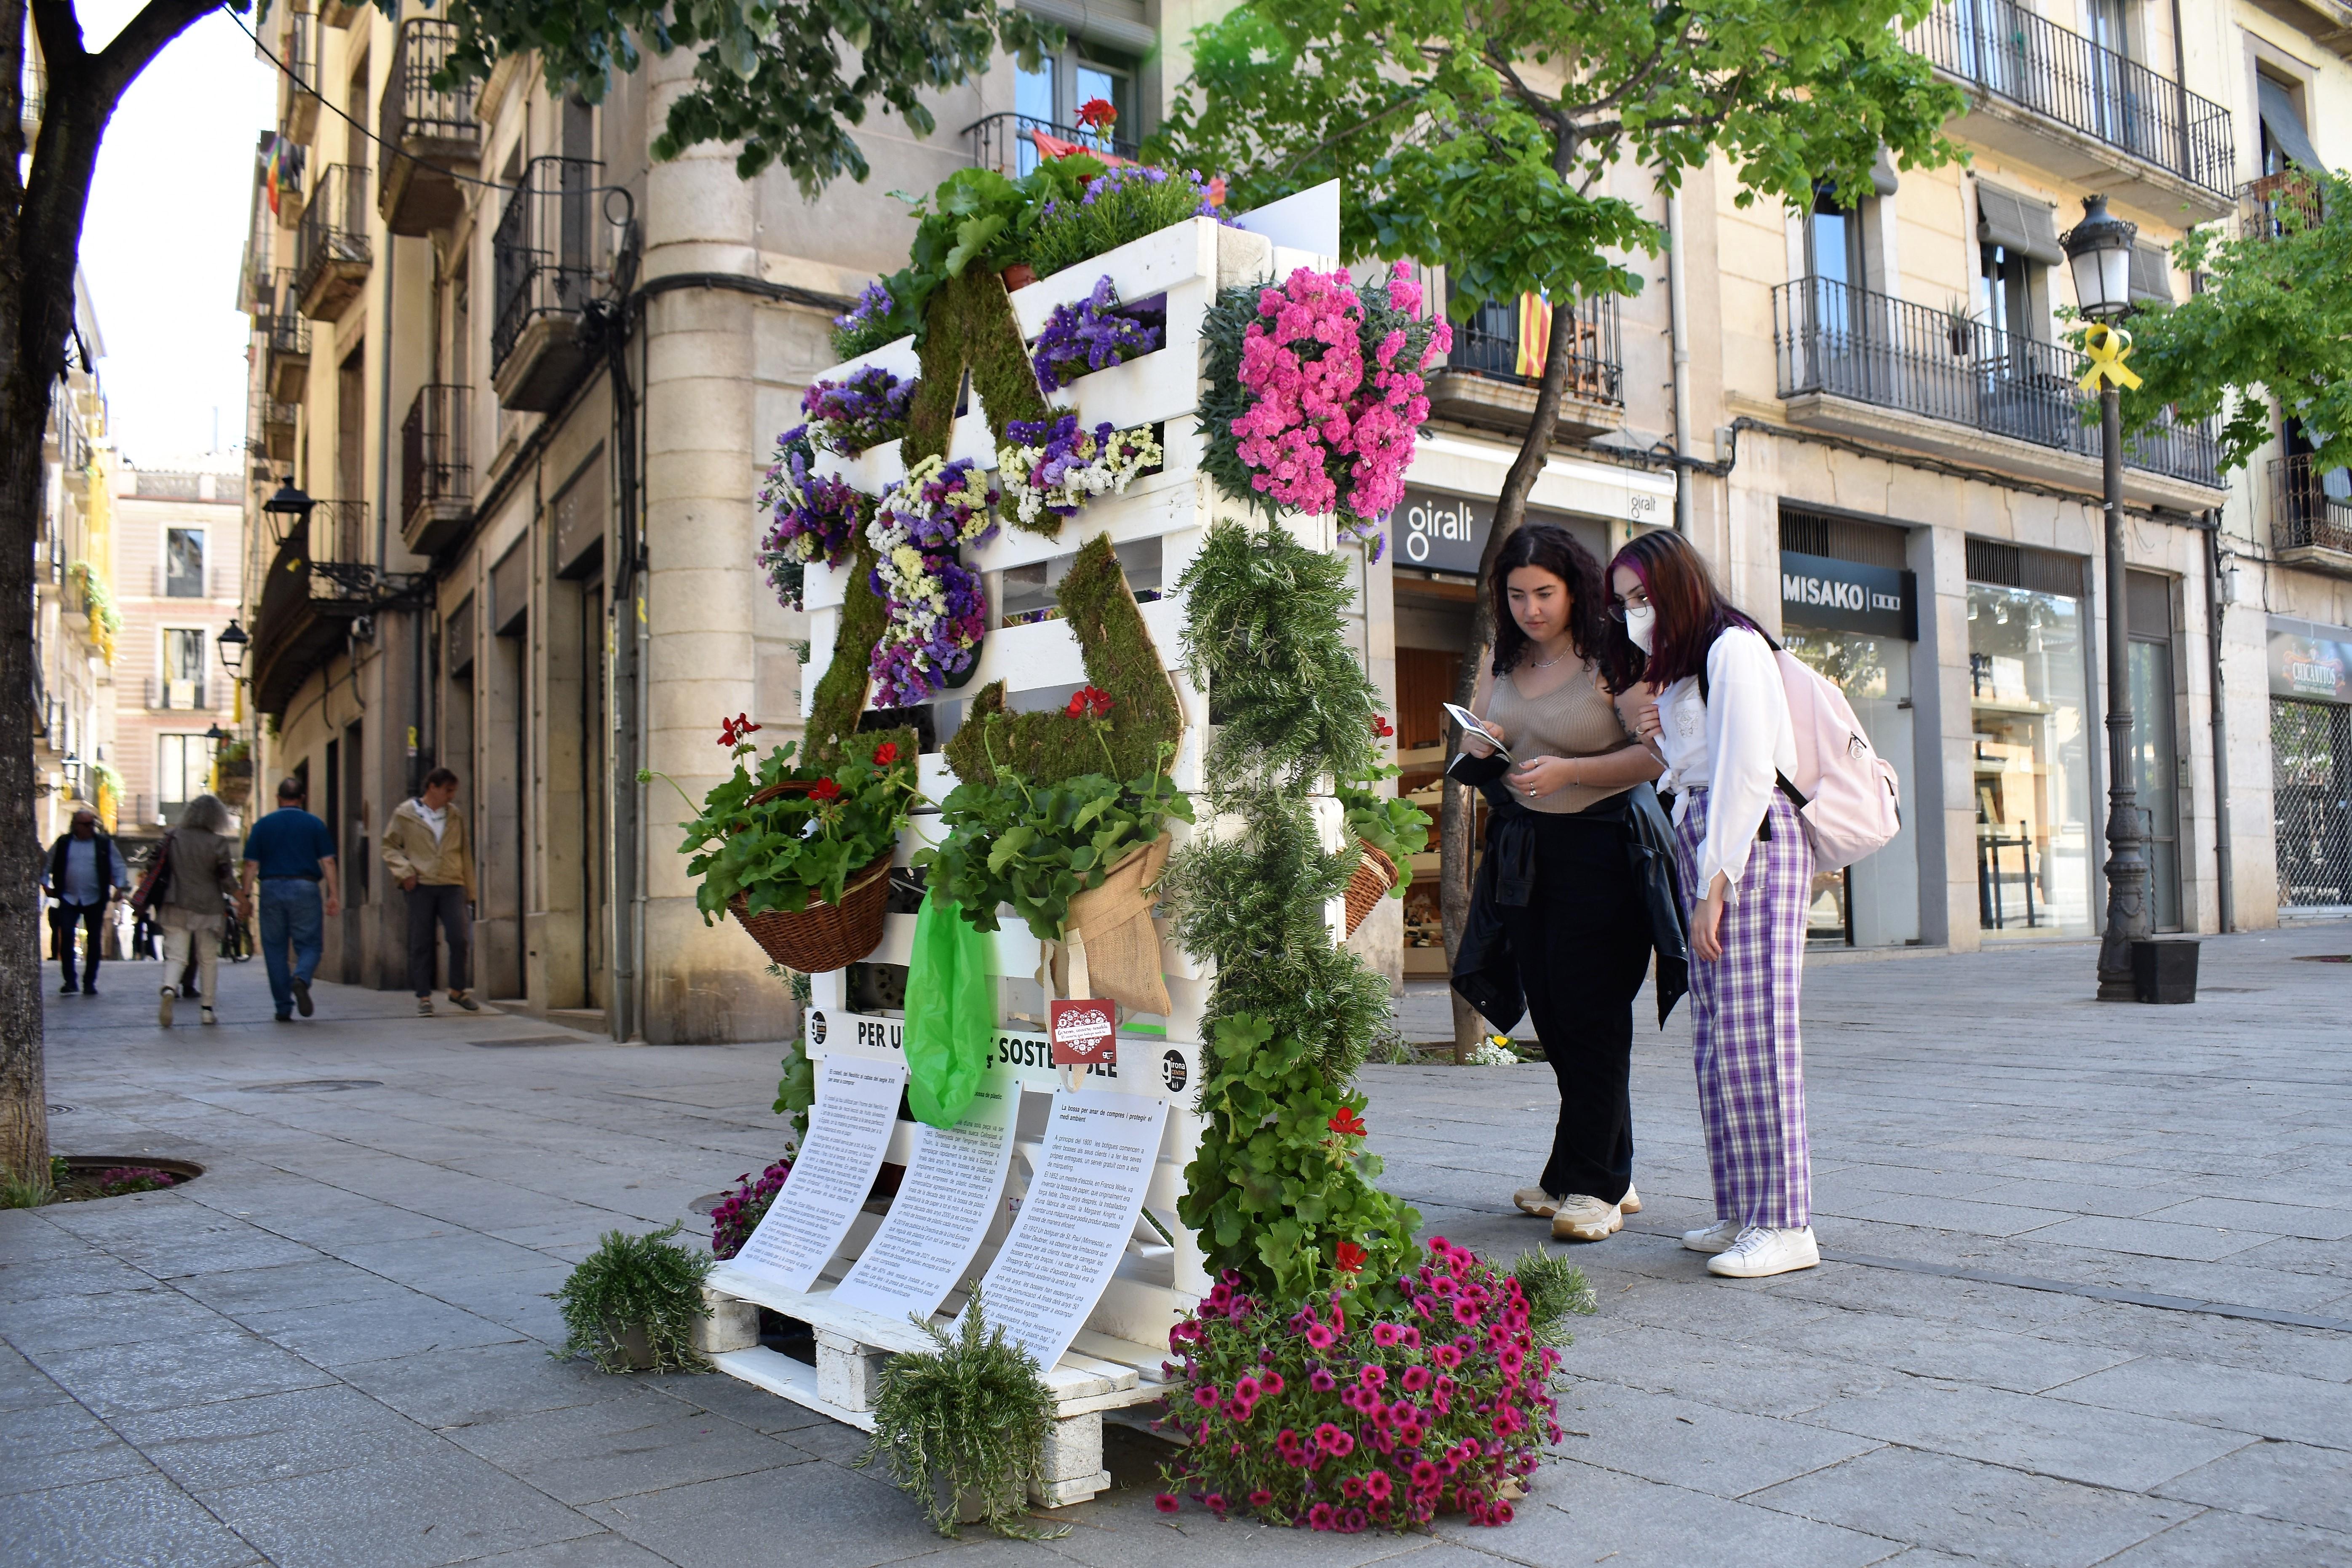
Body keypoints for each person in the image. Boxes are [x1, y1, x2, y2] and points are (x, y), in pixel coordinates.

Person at [1450, 524, 1667, 1243]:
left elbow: (1651, 756)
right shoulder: (1502, 655)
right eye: (1515, 594)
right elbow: (1477, 737)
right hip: (1523, 852)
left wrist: (1571, 770)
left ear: (1574, 587)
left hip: (1603, 849)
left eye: (1543, 593)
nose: (1529, 609)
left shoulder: (1611, 653)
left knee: (1592, 1013)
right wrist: (1480, 746)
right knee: (1552, 1011)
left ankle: (1595, 1187)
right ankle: (1592, 1166)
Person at [1613, 529, 1818, 1280]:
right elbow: (1693, 774)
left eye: (1641, 598)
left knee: (1758, 1035)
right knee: (1719, 1044)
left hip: (1749, 843)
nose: (1634, 614)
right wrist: (1660, 741)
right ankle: (1743, 1207)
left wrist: (1713, 886)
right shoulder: (1684, 666)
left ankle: (1785, 1220)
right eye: (1624, 603)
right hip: (1709, 835)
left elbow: (1744, 772)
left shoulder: (1733, 648)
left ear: (1674, 588)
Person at [241, 777, 343, 1022]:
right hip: (305, 887)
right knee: (310, 945)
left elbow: (251, 864)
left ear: (278, 798)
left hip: (271, 888)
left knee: (275, 949)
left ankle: (283, 1007)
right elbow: (328, 861)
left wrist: (245, 897)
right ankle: (301, 978)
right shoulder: (315, 824)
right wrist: (334, 895)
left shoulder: (263, 826)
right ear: (303, 799)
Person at [382, 767, 478, 1015]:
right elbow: (389, 846)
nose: (451, 796)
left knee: (459, 938)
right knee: (422, 941)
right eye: (448, 790)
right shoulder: (405, 814)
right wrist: (405, 872)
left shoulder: (455, 815)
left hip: (452, 882)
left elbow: (464, 851)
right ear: (432, 787)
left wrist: (471, 889)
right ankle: (424, 996)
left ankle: (457, 990)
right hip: (421, 884)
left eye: (453, 791)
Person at [155, 795, 242, 1028]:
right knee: (208, 959)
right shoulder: (218, 843)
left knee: (176, 956)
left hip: (175, 902)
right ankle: (207, 1010)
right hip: (208, 907)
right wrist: (243, 900)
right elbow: (226, 879)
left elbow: (151, 866)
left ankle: (169, 989)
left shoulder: (172, 838)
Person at [43, 807, 128, 995]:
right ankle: (70, 981)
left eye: (93, 824)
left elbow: (118, 865)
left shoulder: (104, 844)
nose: (91, 828)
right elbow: (47, 863)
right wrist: (45, 884)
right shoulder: (64, 843)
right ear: (75, 825)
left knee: (95, 940)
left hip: (95, 898)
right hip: (68, 896)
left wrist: (120, 888)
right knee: (66, 937)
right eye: (86, 824)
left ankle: (90, 982)